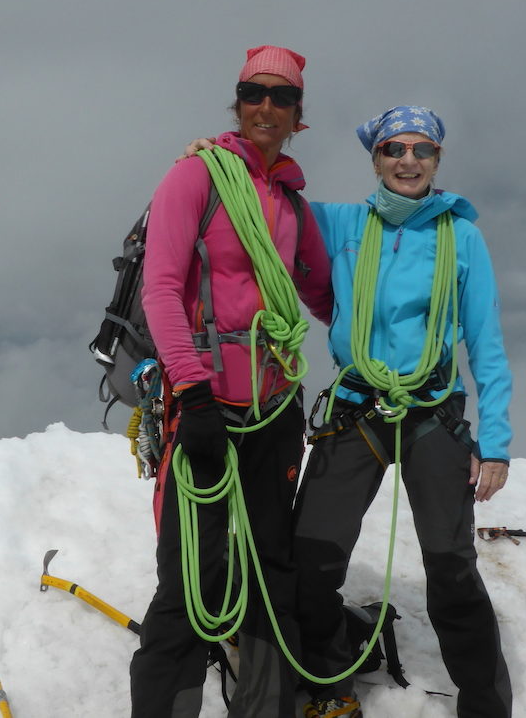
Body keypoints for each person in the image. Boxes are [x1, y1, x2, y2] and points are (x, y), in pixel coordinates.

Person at [129, 45, 333, 717]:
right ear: (238, 102)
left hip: (274, 408)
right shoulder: (195, 177)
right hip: (206, 403)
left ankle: (266, 707)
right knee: (191, 576)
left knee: (271, 570)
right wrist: (191, 395)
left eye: (283, 96)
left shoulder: (293, 205)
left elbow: (323, 294)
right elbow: (161, 290)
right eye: (254, 93)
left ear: (298, 115)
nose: (266, 106)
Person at [292, 106, 513, 718]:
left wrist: (495, 443)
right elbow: (266, 204)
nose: (408, 160)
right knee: (311, 556)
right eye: (394, 148)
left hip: (431, 410)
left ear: (438, 160)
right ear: (376, 158)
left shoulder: (461, 237)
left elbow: (486, 343)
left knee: (451, 564)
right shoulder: (341, 224)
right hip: (357, 406)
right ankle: (329, 686)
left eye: (422, 150)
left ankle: (485, 708)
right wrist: (221, 153)